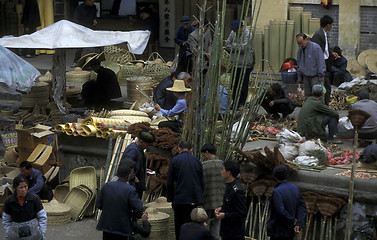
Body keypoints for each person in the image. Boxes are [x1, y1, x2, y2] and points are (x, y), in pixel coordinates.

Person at [167, 141, 204, 240]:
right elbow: (201, 181)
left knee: (179, 224)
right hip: (194, 198)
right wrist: (200, 198)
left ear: (179, 148)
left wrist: (170, 199)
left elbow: (170, 181)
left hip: (179, 198)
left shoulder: (175, 160)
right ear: (191, 149)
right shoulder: (197, 161)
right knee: (192, 223)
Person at [96, 164, 144, 240]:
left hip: (107, 225)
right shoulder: (130, 190)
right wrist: (134, 215)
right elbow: (139, 208)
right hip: (122, 226)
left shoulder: (106, 186)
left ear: (116, 174)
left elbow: (98, 204)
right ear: (128, 176)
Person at [267, 165, 307, 240]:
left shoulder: (277, 191)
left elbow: (280, 211)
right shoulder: (295, 188)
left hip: (279, 231)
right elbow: (302, 206)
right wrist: (298, 222)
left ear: (275, 176)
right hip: (291, 231)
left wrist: (293, 220)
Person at [3, 175, 47, 240]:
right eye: (21, 187)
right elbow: (6, 219)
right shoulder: (9, 201)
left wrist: (41, 232)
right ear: (15, 188)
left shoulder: (35, 199)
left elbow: (42, 217)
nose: (24, 190)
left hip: (34, 234)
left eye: (25, 187)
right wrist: (9, 232)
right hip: (15, 235)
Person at [225, 20, 254, 109]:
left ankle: (241, 103)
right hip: (235, 63)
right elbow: (227, 45)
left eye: (236, 30)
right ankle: (234, 103)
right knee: (235, 84)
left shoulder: (248, 34)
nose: (234, 32)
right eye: (233, 30)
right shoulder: (233, 33)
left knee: (243, 85)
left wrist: (233, 45)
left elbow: (244, 48)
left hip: (245, 64)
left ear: (241, 28)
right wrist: (237, 46)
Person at [215, 160, 247, 240]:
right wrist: (221, 208)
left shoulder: (237, 190)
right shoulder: (229, 186)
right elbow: (230, 203)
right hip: (227, 231)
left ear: (228, 173)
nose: (221, 172)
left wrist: (225, 215)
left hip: (234, 233)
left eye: (223, 169)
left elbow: (241, 212)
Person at [120, 130, 155, 198]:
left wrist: (144, 169)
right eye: (147, 145)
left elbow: (136, 163)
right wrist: (134, 179)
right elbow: (126, 166)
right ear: (141, 141)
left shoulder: (139, 149)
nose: (147, 147)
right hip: (132, 184)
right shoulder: (133, 150)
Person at [201, 143, 224, 239]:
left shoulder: (202, 165)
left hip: (206, 200)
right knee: (216, 228)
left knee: (203, 226)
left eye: (203, 155)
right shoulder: (223, 164)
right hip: (220, 202)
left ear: (207, 152)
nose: (203, 157)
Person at [311, 15, 334, 105]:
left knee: (327, 86)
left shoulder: (324, 34)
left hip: (326, 63)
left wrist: (331, 53)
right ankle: (323, 105)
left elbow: (325, 48)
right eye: (331, 24)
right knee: (326, 86)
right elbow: (317, 52)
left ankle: (324, 105)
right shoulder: (318, 35)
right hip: (321, 65)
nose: (331, 26)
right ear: (327, 24)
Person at [296, 33, 326, 100]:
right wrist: (299, 76)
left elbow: (321, 62)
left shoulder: (315, 47)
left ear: (306, 40)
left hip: (315, 76)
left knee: (317, 96)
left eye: (301, 43)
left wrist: (321, 75)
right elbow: (299, 63)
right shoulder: (300, 50)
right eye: (298, 43)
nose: (300, 45)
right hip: (306, 76)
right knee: (307, 96)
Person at [72, 0, 98, 66]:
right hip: (82, 28)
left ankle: (97, 60)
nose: (93, 3)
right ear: (87, 1)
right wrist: (77, 28)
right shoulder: (79, 8)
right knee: (80, 45)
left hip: (90, 28)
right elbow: (75, 19)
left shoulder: (93, 7)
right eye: (91, 1)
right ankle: (76, 61)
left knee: (96, 44)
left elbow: (94, 15)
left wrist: (94, 19)